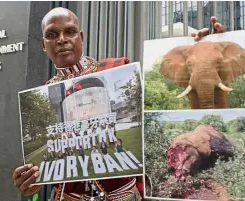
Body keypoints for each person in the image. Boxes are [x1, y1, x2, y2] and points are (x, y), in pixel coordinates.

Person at [12, 7, 225, 201]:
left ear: (81, 37)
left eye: (70, 31)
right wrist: (32, 181)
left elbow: (169, 107)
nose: (61, 39)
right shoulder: (47, 95)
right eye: (52, 34)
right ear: (43, 44)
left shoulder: (117, 70)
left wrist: (204, 57)